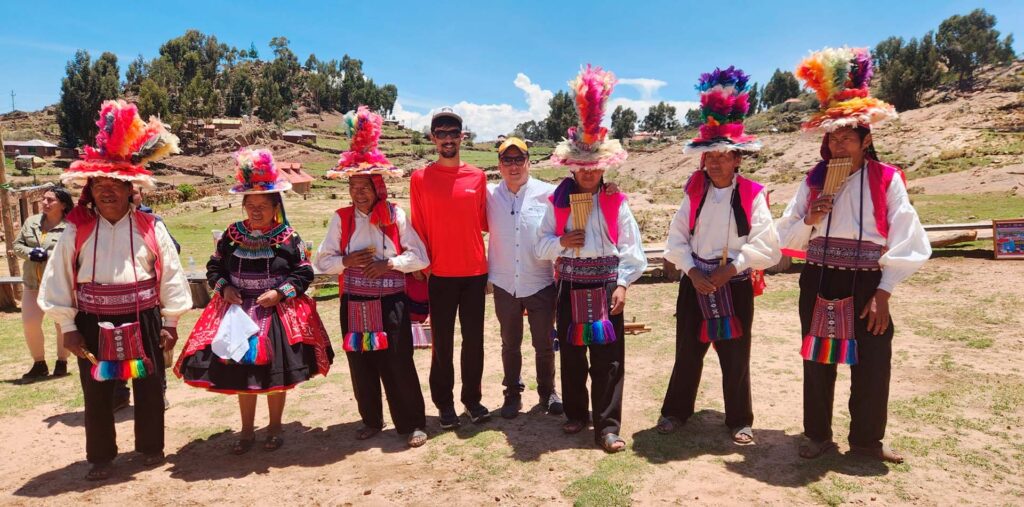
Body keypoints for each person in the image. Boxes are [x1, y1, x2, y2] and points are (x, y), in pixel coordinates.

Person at [778, 47, 931, 464]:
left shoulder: (887, 179)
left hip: (867, 282)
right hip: (820, 276)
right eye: (833, 136)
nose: (839, 144)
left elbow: (908, 236)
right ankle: (817, 436)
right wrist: (810, 218)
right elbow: (784, 234)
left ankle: (866, 442)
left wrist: (884, 291)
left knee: (873, 364)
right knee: (817, 360)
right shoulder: (813, 180)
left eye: (848, 136)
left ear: (867, 139)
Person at [39, 100, 192, 480]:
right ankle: (102, 457)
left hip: (144, 316)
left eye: (115, 185)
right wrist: (69, 327)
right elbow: (57, 279)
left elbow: (171, 274)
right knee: (97, 392)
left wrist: (170, 322)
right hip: (92, 319)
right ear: (90, 191)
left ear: (129, 189)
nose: (107, 191)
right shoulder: (76, 230)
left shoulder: (151, 227)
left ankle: (150, 449)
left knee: (150, 386)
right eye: (100, 185)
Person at [176, 148, 333, 455]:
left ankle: (274, 427)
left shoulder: (290, 238)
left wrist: (280, 293)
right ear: (244, 205)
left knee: (275, 374)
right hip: (236, 312)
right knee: (240, 373)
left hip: (275, 313)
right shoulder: (232, 236)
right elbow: (214, 267)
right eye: (251, 204)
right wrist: (223, 288)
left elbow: (303, 273)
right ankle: (247, 431)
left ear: (276, 206)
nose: (256, 210)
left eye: (263, 205)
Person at [656, 67, 781, 445]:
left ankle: (739, 419)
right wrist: (692, 272)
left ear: (738, 159)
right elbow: (676, 238)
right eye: (710, 156)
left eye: (724, 156)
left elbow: (767, 245)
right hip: (696, 282)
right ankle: (676, 412)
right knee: (688, 351)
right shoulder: (694, 191)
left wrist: (734, 269)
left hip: (734, 283)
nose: (715, 163)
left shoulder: (752, 194)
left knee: (735, 355)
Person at [535, 65, 647, 453]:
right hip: (569, 286)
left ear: (603, 166)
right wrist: (563, 240)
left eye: (593, 167)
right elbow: (541, 246)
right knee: (570, 354)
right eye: (581, 167)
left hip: (605, 287)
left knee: (609, 360)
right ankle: (576, 415)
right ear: (573, 166)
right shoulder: (557, 201)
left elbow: (632, 251)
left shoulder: (617, 201)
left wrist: (622, 285)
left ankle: (608, 426)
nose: (587, 173)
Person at [317, 106, 430, 447]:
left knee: (398, 363)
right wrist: (347, 260)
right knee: (360, 364)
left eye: (364, 186)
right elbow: (322, 262)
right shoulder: (341, 219)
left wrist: (390, 264)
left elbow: (420, 256)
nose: (358, 193)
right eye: (354, 186)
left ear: (378, 185)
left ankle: (412, 424)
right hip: (353, 301)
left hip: (391, 302)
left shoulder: (396, 216)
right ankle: (370, 419)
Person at [410, 108, 490, 428]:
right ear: (432, 138)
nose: (447, 139)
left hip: (474, 273)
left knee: (474, 342)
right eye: (440, 133)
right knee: (441, 343)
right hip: (439, 274)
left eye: (452, 133)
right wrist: (421, 264)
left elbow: (487, 221)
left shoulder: (478, 177)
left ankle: (472, 400)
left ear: (462, 137)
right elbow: (417, 226)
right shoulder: (420, 178)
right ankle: (444, 404)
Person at [486, 137, 563, 419]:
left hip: (539, 280)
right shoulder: (489, 195)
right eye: (508, 160)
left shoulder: (549, 193)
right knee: (510, 343)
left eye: (519, 159)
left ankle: (547, 392)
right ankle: (512, 392)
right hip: (505, 283)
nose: (514, 165)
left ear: (529, 161)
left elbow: (584, 193)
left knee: (544, 343)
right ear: (499, 165)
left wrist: (608, 188)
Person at [14, 186, 73, 381]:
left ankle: (62, 361)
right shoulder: (31, 222)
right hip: (32, 283)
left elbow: (73, 252)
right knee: (30, 323)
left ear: (63, 205)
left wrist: (48, 255)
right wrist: (30, 253)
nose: (45, 203)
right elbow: (17, 245)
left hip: (58, 284)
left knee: (60, 324)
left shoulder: (70, 226)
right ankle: (39, 363)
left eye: (50, 200)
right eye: (44, 199)